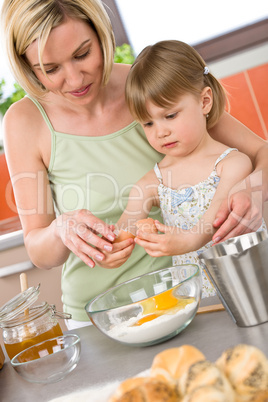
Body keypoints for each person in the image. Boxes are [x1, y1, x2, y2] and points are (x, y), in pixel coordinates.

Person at [1, 0, 267, 327]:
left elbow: (260, 153)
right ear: (28, 66)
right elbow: (39, 250)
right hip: (97, 316)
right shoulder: (24, 121)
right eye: (50, 69)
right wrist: (62, 230)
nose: (73, 78)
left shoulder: (146, 87)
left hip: (182, 299)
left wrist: (254, 190)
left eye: (83, 54)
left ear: (101, 34)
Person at [111, 40, 266, 296]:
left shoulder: (233, 164)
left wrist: (187, 240)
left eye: (170, 116)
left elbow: (214, 219)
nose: (161, 131)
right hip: (199, 302)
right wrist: (106, 243)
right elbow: (125, 227)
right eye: (148, 123)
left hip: (254, 290)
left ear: (205, 101)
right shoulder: (152, 183)